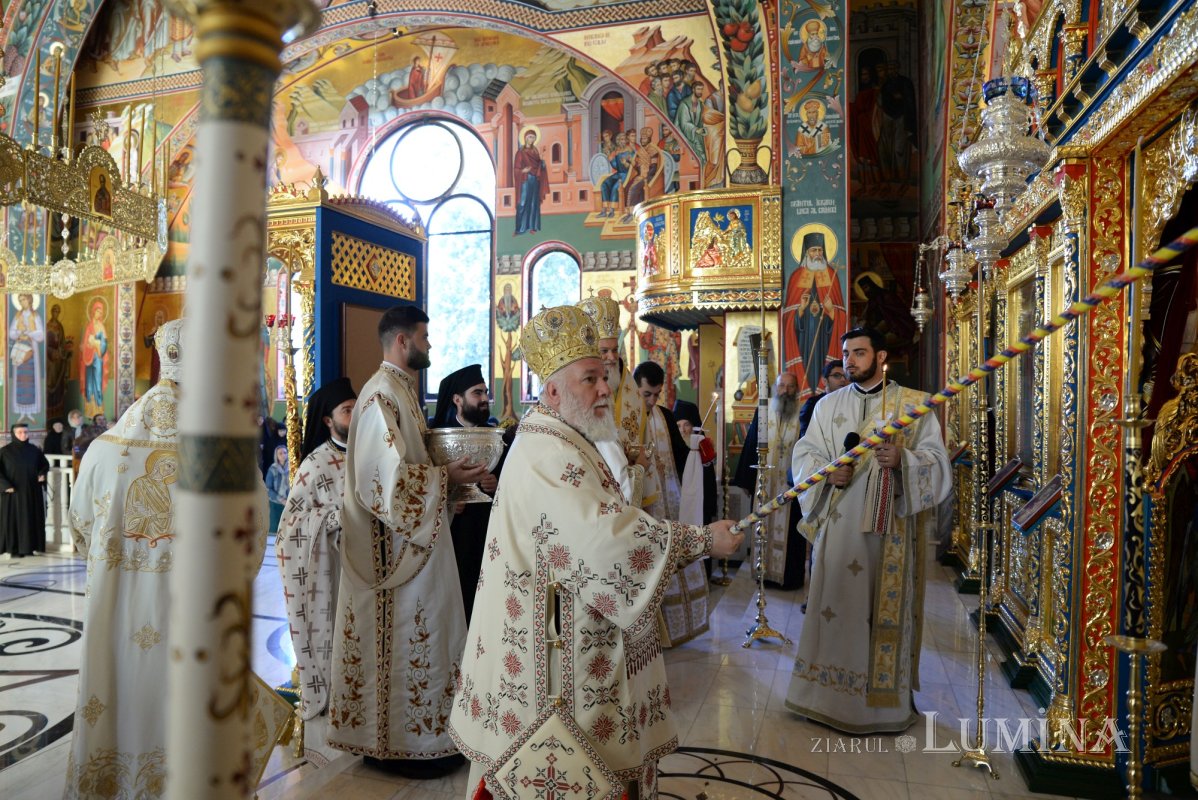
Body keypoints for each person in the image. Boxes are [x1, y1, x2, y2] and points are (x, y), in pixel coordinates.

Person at [447, 304, 743, 799]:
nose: (606, 389)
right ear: (555, 390)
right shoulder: (546, 452)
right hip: (554, 664)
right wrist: (702, 540)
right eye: (591, 379)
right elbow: (604, 540)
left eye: (605, 377)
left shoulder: (563, 435)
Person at [66, 321, 266, 796]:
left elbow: (81, 531)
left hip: (117, 615)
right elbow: (253, 542)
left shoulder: (102, 450)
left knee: (118, 703)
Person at [329, 304, 487, 776]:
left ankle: (428, 735)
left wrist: (450, 483)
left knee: (432, 634)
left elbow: (411, 467)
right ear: (403, 342)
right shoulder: (380, 395)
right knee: (413, 637)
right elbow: (383, 482)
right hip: (396, 553)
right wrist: (444, 479)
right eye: (425, 337)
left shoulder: (398, 391)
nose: (430, 345)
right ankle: (403, 743)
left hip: (419, 542)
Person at [785, 328, 951, 733]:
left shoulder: (913, 406)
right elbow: (806, 452)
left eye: (859, 353)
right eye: (846, 353)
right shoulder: (827, 405)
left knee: (876, 613)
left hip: (887, 534)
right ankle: (823, 695)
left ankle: (881, 706)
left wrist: (904, 459)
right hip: (838, 531)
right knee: (835, 608)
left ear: (880, 357)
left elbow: (938, 463)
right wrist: (827, 475)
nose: (850, 360)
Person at [277, 376, 357, 723]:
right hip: (333, 572)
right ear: (329, 420)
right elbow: (289, 530)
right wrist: (335, 518)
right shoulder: (315, 465)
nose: (355, 416)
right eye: (347, 411)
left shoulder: (366, 455)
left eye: (356, 409)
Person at [430, 363, 514, 624]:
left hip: (487, 536)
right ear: (457, 399)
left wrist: (497, 483)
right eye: (477, 393)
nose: (484, 399)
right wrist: (446, 500)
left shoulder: (497, 437)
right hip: (452, 537)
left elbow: (514, 485)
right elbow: (425, 486)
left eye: (485, 392)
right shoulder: (436, 440)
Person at [633, 361, 708, 647]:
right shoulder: (626, 417)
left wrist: (696, 448)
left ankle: (677, 630)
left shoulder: (665, 416)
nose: (651, 401)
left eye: (655, 394)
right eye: (645, 394)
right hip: (644, 508)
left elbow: (682, 454)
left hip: (671, 504)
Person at [732, 372, 808, 589]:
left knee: (792, 533)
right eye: (781, 385)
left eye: (790, 386)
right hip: (764, 485)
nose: (785, 390)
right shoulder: (764, 411)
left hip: (792, 487)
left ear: (796, 389)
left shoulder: (803, 413)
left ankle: (790, 579)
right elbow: (751, 443)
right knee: (762, 525)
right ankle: (762, 574)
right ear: (776, 388)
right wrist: (747, 481)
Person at [576, 294, 646, 506]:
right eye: (604, 351)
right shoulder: (582, 396)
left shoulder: (627, 384)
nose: (612, 357)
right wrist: (640, 468)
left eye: (615, 350)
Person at [782, 230, 846, 397]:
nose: (817, 254)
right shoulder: (796, 277)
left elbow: (842, 317)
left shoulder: (831, 275)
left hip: (825, 338)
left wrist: (832, 311)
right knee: (806, 371)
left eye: (820, 250)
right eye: (813, 250)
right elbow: (787, 318)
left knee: (823, 369)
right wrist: (801, 309)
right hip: (803, 339)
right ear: (806, 252)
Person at [0, 423, 49, 557]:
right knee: (14, 521)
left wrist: (42, 474)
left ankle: (30, 548)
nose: (23, 435)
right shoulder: (5, 451)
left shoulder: (34, 450)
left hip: (31, 491)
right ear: (13, 434)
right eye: (20, 432)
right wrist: (5, 485)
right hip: (13, 493)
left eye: (26, 432)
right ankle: (15, 550)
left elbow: (44, 465)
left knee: (31, 519)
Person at [673, 399, 717, 527]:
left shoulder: (702, 447)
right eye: (678, 425)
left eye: (686, 425)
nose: (683, 430)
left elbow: (709, 482)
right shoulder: (672, 449)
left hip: (700, 505)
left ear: (694, 426)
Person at [513, 129, 550, 235]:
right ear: (525, 138)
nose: (531, 139)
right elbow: (516, 169)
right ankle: (520, 228)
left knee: (534, 203)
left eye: (533, 137)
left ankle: (533, 226)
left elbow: (538, 165)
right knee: (522, 203)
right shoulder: (520, 153)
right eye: (529, 137)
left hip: (535, 180)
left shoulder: (535, 151)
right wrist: (522, 171)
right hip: (525, 179)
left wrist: (542, 163)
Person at [799, 359, 848, 438]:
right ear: (824, 381)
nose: (843, 379)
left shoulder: (852, 402)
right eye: (837, 375)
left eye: (846, 375)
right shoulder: (813, 404)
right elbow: (807, 436)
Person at [265, 444, 289, 534]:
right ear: (277, 456)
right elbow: (268, 488)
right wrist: (281, 499)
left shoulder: (292, 467)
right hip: (275, 503)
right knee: (274, 528)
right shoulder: (273, 469)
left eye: (285, 452)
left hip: (289, 503)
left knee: (287, 528)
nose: (283, 455)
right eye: (280, 453)